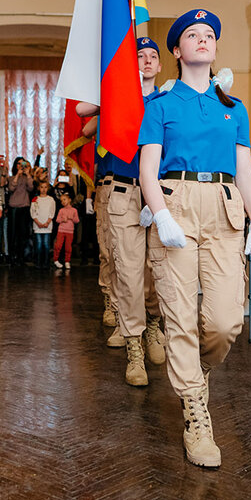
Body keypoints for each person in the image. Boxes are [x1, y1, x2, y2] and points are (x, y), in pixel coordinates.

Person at [138, 9, 251, 469]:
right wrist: (161, 214)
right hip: (177, 202)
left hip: (225, 206)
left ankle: (197, 370)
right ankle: (195, 411)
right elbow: (147, 169)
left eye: (209, 34)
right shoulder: (161, 105)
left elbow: (245, 169)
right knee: (179, 314)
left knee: (226, 322)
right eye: (192, 35)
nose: (203, 39)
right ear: (177, 50)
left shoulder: (234, 107)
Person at [89, 36, 166, 382]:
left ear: (160, 65)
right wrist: (115, 87)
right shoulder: (117, 100)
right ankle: (134, 346)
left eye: (152, 56)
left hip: (159, 194)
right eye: (140, 56)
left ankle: (153, 325)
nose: (146, 61)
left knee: (156, 272)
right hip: (123, 192)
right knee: (128, 272)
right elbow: (84, 114)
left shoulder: (168, 101)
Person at [6, 157, 35, 265]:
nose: (21, 166)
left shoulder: (27, 177)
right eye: (18, 164)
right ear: (15, 165)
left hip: (24, 207)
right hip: (13, 207)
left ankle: (21, 257)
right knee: (13, 233)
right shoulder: (11, 177)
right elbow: (11, 188)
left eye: (23, 164)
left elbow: (31, 188)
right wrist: (18, 175)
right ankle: (12, 256)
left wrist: (28, 174)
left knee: (23, 233)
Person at [31, 180, 56, 270]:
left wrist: (47, 222)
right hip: (38, 226)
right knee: (38, 245)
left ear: (48, 188)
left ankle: (46, 263)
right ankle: (38, 263)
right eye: (42, 187)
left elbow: (52, 211)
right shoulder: (35, 199)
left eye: (45, 187)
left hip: (47, 226)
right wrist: (38, 222)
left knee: (46, 245)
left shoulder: (51, 199)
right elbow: (33, 212)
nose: (43, 189)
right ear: (39, 188)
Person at [52, 192, 79, 269]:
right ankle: (55, 260)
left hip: (70, 231)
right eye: (61, 200)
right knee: (58, 246)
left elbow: (77, 220)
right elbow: (57, 220)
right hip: (61, 230)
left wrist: (71, 218)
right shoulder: (61, 210)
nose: (63, 202)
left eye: (64, 199)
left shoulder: (74, 210)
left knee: (68, 247)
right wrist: (62, 220)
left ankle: (67, 261)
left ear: (69, 200)